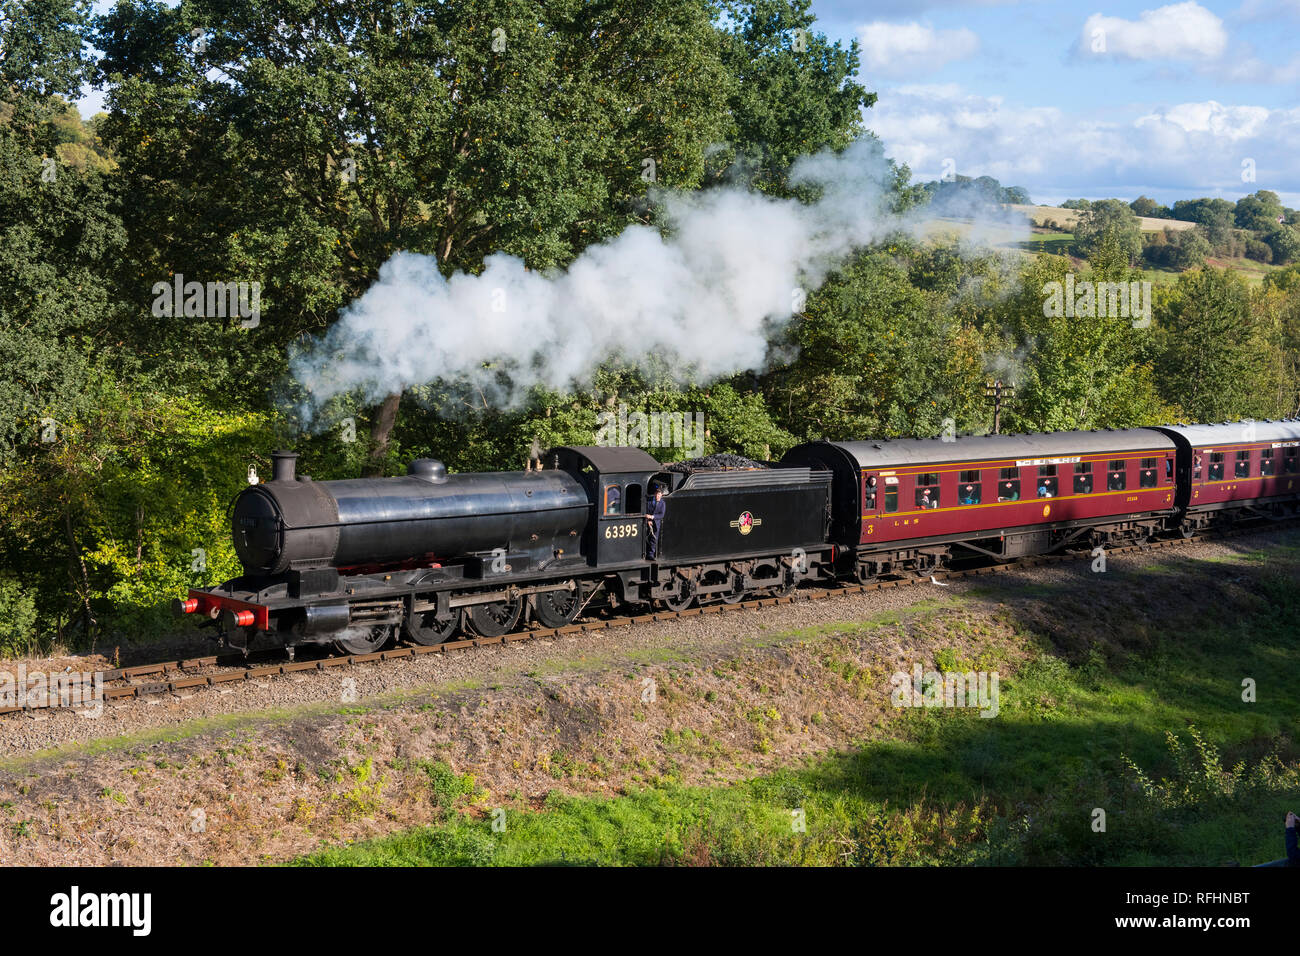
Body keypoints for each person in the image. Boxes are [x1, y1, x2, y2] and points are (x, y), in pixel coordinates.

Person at [644, 483, 666, 560]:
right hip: (647, 523)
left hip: (656, 523)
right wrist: (648, 520)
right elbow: (645, 511)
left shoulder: (662, 503)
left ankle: (651, 554)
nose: (657, 496)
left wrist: (652, 517)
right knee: (646, 537)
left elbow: (661, 515)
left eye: (659, 494)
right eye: (656, 494)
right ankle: (645, 553)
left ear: (661, 495)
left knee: (654, 539)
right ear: (654, 494)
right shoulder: (648, 502)